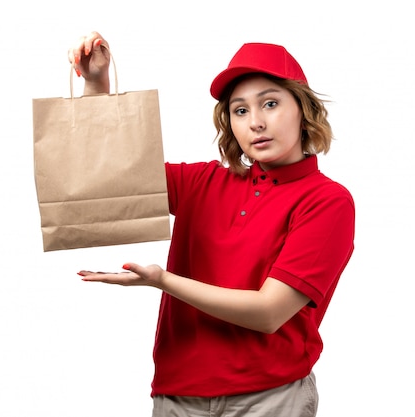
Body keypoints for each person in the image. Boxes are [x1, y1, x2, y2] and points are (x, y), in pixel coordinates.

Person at [71, 31, 355, 417]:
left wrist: (163, 280)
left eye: (270, 103)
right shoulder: (201, 183)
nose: (256, 122)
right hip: (177, 393)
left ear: (303, 109)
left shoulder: (327, 201)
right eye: (240, 110)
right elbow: (108, 175)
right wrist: (95, 83)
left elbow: (269, 313)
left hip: (269, 398)